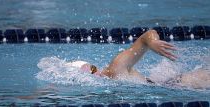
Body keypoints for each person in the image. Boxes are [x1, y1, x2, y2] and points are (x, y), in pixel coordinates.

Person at [73, 29, 210, 89]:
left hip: (180, 83)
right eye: (89, 74)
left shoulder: (116, 68)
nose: (95, 74)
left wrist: (153, 42)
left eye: (93, 69)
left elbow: (148, 35)